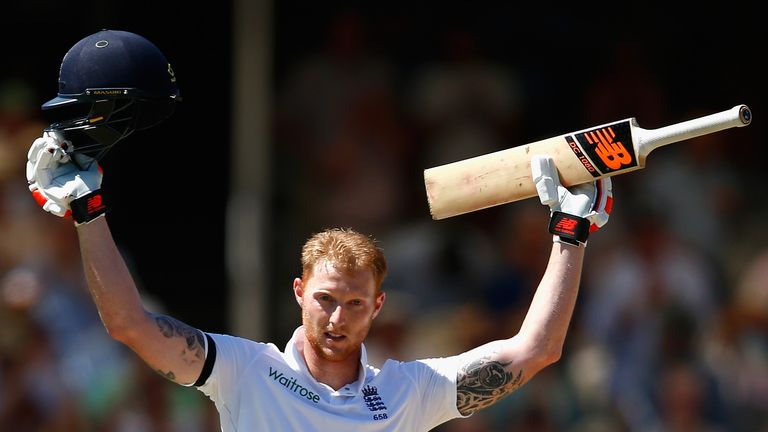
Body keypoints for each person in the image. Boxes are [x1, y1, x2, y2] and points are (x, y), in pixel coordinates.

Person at [26, 29, 613, 431]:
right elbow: (129, 325)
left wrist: (570, 232)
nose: (337, 318)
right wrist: (88, 210)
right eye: (326, 300)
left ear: (378, 306)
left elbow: (536, 351)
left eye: (354, 304)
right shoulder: (247, 372)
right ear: (299, 292)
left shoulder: (410, 391)